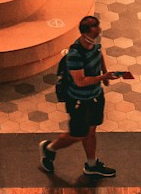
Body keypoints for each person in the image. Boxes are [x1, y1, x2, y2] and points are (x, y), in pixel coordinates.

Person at [40, 14, 132, 178]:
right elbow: (80, 81)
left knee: (91, 131)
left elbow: (99, 53)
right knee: (78, 134)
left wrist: (104, 71)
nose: (99, 30)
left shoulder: (94, 43)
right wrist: (104, 77)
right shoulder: (75, 55)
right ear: (85, 33)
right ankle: (49, 148)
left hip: (95, 96)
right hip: (79, 101)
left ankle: (91, 165)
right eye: (95, 28)